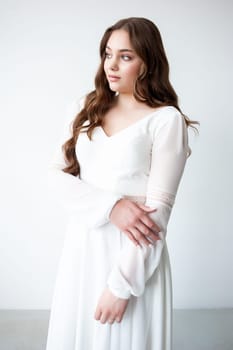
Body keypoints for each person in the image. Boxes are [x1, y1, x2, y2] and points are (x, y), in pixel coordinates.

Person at [46, 17, 198, 350]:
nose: (111, 65)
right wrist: (111, 206)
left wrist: (121, 287)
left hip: (132, 261)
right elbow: (56, 178)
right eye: (107, 53)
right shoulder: (85, 109)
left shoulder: (166, 120)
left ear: (148, 63)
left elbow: (157, 216)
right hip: (82, 251)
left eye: (126, 56)